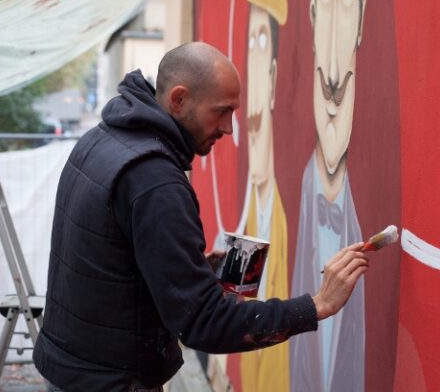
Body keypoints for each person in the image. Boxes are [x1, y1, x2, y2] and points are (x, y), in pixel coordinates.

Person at [33, 42, 368, 392]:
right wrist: (317, 305)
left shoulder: (101, 139)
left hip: (72, 366)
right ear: (179, 100)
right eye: (222, 111)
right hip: (109, 381)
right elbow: (202, 323)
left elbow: (106, 259)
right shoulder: (155, 182)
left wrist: (184, 271)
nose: (229, 128)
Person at [290, 0, 376, 391]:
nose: (336, 29)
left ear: (364, 6)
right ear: (311, 11)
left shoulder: (370, 200)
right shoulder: (302, 193)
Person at [234, 0, 293, 392]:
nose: (250, 75)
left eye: (260, 46)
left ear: (272, 74)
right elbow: (221, 316)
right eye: (246, 48)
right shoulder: (248, 217)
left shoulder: (289, 218)